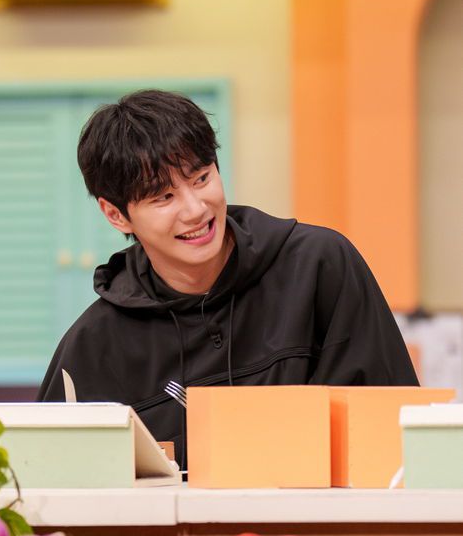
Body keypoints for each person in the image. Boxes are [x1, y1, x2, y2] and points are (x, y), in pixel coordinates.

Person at [37, 89, 419, 468]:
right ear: (116, 215)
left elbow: (390, 435)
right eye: (164, 197)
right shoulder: (92, 345)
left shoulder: (319, 267)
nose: (195, 210)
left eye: (202, 178)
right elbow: (47, 475)